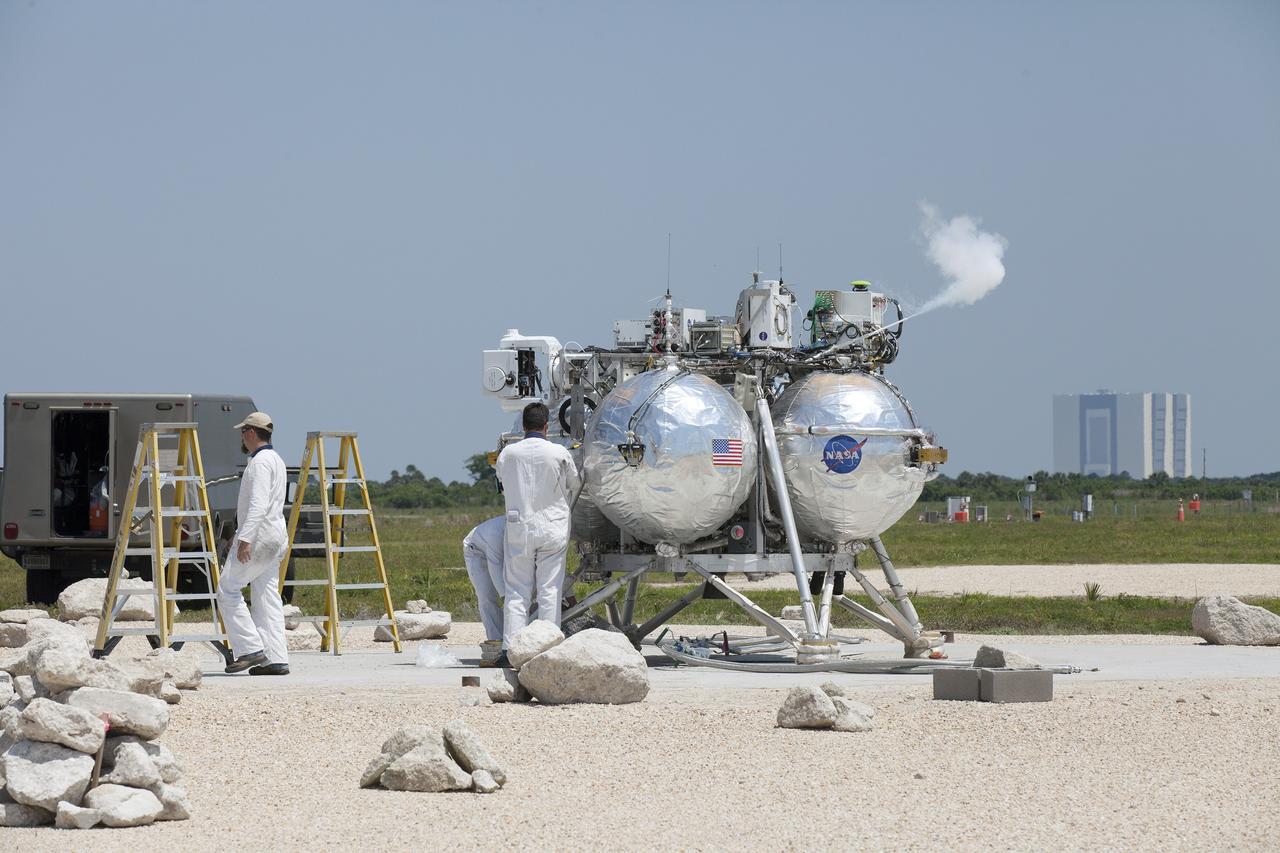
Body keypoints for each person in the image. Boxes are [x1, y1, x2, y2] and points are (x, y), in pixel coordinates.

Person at [494, 401, 580, 662]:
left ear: (523, 426)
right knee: (549, 589)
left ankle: (511, 649)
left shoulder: (508, 454)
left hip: (520, 526)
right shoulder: (559, 452)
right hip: (552, 527)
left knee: (517, 589)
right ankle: (548, 647)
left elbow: (501, 481)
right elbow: (574, 484)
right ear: (546, 426)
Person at [217, 412, 290, 675]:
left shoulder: (259, 463)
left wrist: (244, 539)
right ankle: (276, 658)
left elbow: (258, 504)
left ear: (250, 432)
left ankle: (250, 649)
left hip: (258, 536)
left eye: (242, 432)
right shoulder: (277, 460)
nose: (241, 437)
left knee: (227, 588)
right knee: (266, 594)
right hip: (276, 536)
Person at [462, 514, 506, 653]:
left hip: (501, 552)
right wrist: (506, 597)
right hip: (476, 551)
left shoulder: (529, 533)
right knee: (487, 596)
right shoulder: (497, 533)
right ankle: (496, 643)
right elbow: (495, 565)